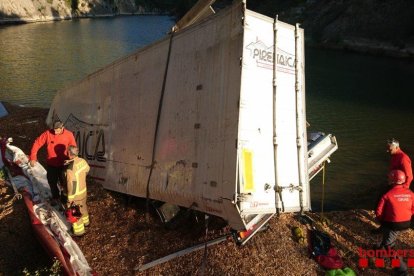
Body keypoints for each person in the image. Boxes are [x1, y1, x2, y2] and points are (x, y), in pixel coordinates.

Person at [375, 170, 414, 275]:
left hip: (392, 224)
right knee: (388, 236)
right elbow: (413, 209)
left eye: (389, 178)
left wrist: (382, 220)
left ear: (392, 180)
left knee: (389, 245)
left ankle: (402, 270)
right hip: (406, 223)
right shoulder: (410, 193)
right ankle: (379, 249)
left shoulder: (387, 194)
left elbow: (379, 212)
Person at [29, 120, 77, 203]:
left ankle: (64, 200)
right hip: (52, 164)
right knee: (51, 181)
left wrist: (73, 160)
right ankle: (55, 196)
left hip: (64, 164)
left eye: (57, 130)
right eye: (54, 129)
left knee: (64, 183)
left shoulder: (69, 135)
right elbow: (37, 143)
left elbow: (73, 148)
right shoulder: (47, 134)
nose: (55, 131)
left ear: (62, 128)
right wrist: (33, 157)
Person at [65, 145, 90, 236]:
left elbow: (72, 184)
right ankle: (86, 222)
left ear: (69, 153)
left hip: (76, 195)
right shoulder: (82, 161)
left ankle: (79, 232)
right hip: (83, 190)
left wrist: (70, 199)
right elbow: (87, 169)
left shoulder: (70, 169)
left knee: (75, 212)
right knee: (83, 206)